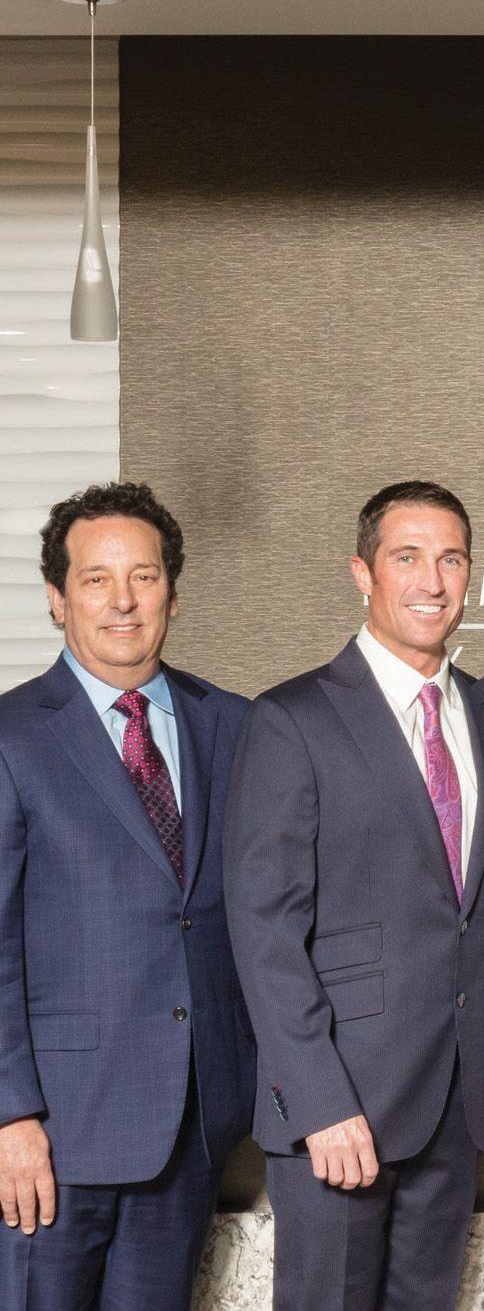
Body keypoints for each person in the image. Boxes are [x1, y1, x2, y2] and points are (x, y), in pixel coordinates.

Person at [224, 480, 484, 1310]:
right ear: (362, 573)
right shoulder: (291, 719)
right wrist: (317, 1101)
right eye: (406, 557)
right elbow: (264, 935)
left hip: (457, 1102)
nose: (431, 581)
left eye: (451, 559)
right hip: (339, 1108)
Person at [0, 482, 255, 1311]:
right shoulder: (10, 736)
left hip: (192, 1124)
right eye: (96, 579)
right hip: (53, 1138)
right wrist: (8, 1118)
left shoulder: (234, 725)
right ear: (56, 598)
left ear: (172, 594)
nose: (123, 600)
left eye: (143, 576)